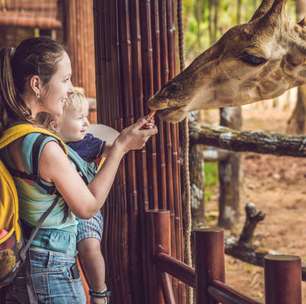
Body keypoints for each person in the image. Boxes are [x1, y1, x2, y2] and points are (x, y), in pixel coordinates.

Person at [0, 37, 157, 304]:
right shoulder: (44, 146)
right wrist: (119, 148)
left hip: (28, 264)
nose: (70, 88)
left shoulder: (12, 133)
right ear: (37, 84)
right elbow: (88, 206)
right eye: (66, 79)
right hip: (52, 271)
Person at [37, 90, 127, 304]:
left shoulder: (88, 142)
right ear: (55, 125)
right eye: (79, 118)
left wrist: (125, 142)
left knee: (89, 247)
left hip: (86, 211)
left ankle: (99, 292)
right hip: (61, 215)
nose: (87, 123)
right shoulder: (47, 146)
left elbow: (112, 148)